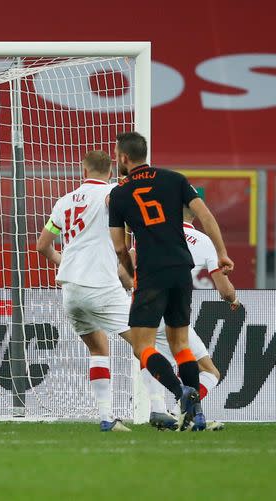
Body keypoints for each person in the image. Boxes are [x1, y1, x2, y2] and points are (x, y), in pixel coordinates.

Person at [108, 131, 234, 431]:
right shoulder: (175, 179)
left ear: (124, 158)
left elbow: (119, 246)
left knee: (143, 347)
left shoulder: (120, 194)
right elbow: (206, 214)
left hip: (152, 272)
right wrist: (222, 253)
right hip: (181, 269)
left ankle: (181, 394)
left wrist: (128, 270)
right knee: (181, 345)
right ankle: (197, 415)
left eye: (117, 155)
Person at [36, 150, 133, 432]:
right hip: (100, 286)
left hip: (70, 290)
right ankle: (169, 405)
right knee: (145, 341)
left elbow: (43, 246)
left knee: (98, 348)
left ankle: (106, 417)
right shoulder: (112, 193)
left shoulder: (64, 201)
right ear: (111, 170)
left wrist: (64, 263)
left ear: (83, 170)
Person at [142, 205, 240, 431]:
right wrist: (234, 299)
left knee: (146, 353)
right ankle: (180, 412)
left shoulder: (153, 233)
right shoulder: (204, 241)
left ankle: (161, 410)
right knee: (209, 371)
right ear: (194, 214)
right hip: (173, 313)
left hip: (144, 308)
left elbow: (126, 270)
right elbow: (225, 291)